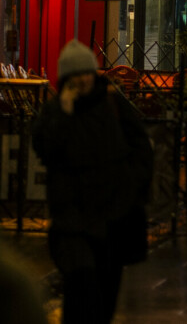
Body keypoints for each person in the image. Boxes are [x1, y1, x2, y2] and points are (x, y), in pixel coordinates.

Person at [32, 40, 153, 324]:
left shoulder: (112, 104)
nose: (83, 80)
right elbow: (45, 148)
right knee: (81, 286)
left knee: (105, 297)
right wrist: (64, 112)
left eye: (86, 72)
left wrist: (130, 188)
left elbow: (141, 149)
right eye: (75, 75)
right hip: (73, 222)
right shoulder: (56, 111)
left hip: (113, 220)